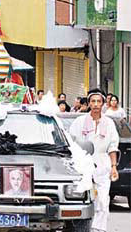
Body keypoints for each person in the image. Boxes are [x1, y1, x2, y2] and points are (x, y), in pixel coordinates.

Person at [69, 89, 119, 232]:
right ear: (89, 103)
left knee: (103, 200)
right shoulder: (79, 122)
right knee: (86, 200)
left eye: (99, 101)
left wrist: (114, 167)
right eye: (93, 101)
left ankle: (99, 229)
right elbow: (72, 143)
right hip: (83, 166)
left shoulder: (109, 123)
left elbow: (113, 146)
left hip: (103, 165)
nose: (96, 104)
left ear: (103, 104)